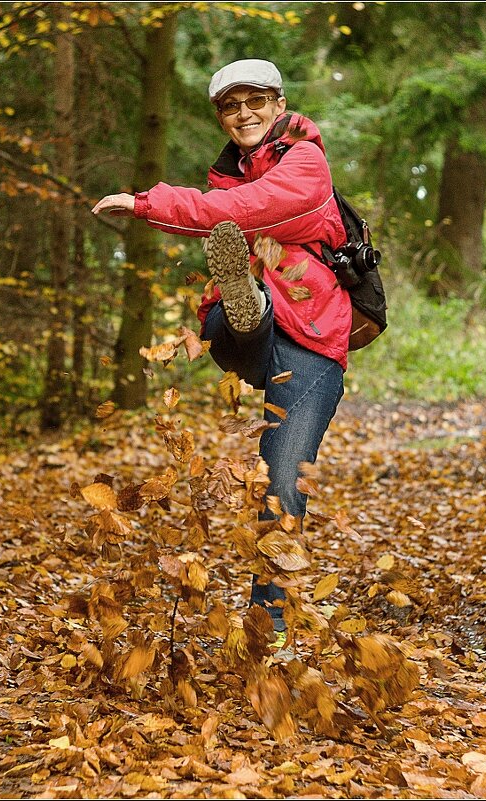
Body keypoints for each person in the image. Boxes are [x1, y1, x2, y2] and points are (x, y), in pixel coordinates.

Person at [91, 59, 351, 643]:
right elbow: (225, 208)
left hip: (311, 341)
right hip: (248, 345)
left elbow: (237, 213)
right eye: (230, 107)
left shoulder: (307, 164)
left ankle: (270, 627)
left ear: (279, 103)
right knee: (227, 312)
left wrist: (144, 202)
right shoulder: (229, 176)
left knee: (280, 479)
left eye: (255, 101)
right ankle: (244, 304)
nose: (243, 114)